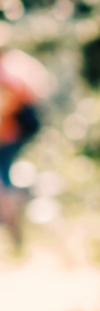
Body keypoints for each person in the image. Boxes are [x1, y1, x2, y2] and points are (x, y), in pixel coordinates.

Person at [0, 49, 48, 260]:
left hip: (12, 131)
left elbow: (12, 100)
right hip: (18, 130)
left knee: (3, 179)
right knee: (5, 176)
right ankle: (13, 228)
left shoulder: (7, 72)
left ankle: (11, 224)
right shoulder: (15, 63)